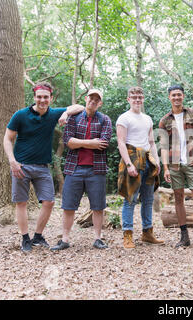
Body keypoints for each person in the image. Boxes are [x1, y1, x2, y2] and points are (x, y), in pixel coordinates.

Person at [3, 81, 84, 252]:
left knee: (49, 202)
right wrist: (12, 161)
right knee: (21, 203)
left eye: (45, 97)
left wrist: (66, 113)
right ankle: (25, 238)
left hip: (42, 167)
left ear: (51, 98)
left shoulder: (54, 114)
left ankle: (38, 236)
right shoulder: (20, 115)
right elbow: (7, 138)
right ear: (34, 97)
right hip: (21, 166)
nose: (42, 100)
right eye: (39, 97)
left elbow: (80, 106)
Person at [50, 88, 112, 251]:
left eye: (97, 99)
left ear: (100, 103)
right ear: (86, 98)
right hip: (74, 168)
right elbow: (68, 141)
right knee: (68, 206)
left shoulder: (105, 120)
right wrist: (92, 142)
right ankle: (64, 239)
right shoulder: (74, 118)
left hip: (96, 169)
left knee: (98, 206)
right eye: (91, 97)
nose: (93, 101)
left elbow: (104, 143)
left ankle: (98, 238)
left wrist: (80, 142)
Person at [158, 85, 193, 249]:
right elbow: (164, 146)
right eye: (173, 95)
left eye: (179, 95)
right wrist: (165, 167)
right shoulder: (164, 121)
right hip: (174, 164)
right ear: (169, 98)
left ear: (183, 96)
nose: (176, 98)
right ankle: (184, 236)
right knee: (178, 197)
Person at [116, 86, 164, 249]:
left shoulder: (147, 119)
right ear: (128, 99)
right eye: (134, 96)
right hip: (132, 157)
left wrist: (157, 161)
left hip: (148, 159)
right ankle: (127, 234)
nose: (137, 99)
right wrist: (129, 164)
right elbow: (121, 142)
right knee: (130, 199)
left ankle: (147, 233)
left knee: (148, 199)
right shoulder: (124, 118)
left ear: (143, 99)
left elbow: (151, 142)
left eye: (140, 96)